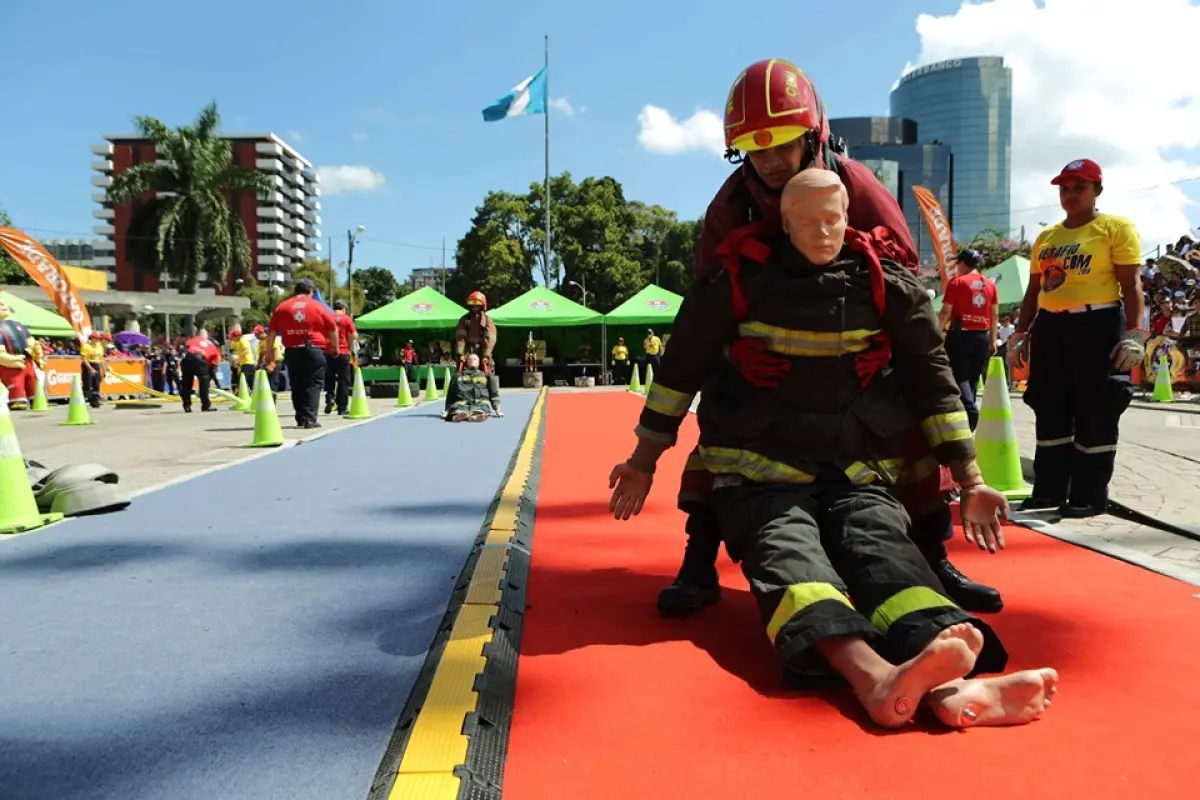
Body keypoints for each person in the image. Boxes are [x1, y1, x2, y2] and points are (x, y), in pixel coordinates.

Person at [609, 170, 1057, 730]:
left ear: (850, 219)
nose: (823, 231)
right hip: (763, 474)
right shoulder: (735, 283)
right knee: (794, 561)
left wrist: (970, 480)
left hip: (856, 470)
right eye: (808, 220)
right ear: (784, 222)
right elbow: (679, 372)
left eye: (833, 218)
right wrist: (642, 462)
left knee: (887, 556)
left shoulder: (885, 285)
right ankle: (873, 677)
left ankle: (950, 687)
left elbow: (932, 379)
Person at [659, 57, 1001, 618]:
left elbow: (905, 280)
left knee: (907, 423)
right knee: (722, 421)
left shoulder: (859, 186)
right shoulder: (729, 205)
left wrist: (887, 345)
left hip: (856, 358)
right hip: (762, 360)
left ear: (813, 136)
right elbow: (704, 304)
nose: (769, 162)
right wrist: (732, 351)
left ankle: (934, 558)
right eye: (755, 149)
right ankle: (699, 561)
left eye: (782, 145)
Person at [1009, 159, 1146, 518]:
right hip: (1052, 327)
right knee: (1048, 405)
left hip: (1098, 323)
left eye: (1079, 187)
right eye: (1064, 188)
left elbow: (1131, 284)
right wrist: (1021, 333)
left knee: (1096, 408)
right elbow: (1034, 289)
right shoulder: (1048, 237)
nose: (1069, 195)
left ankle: (1088, 495)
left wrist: (1135, 332)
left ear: (1097, 190)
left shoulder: (1115, 227)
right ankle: (1049, 491)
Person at [939, 248, 999, 430]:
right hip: (982, 335)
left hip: (961, 335)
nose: (957, 266)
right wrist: (993, 340)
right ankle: (968, 422)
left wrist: (936, 331)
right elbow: (994, 314)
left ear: (964, 263)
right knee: (973, 379)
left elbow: (946, 312)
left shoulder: (957, 283)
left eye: (958, 263)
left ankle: (972, 412)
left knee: (959, 377)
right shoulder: (990, 285)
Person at [266, 279, 338, 429]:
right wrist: (335, 347)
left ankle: (300, 418)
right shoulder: (318, 306)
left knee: (297, 384)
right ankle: (310, 419)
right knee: (313, 383)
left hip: (292, 350)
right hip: (314, 349)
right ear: (311, 291)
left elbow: (272, 331)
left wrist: (269, 352)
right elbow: (332, 328)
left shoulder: (282, 307)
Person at [441, 353, 504, 422]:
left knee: (482, 410)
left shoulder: (486, 376)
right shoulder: (458, 376)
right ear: (466, 362)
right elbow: (451, 395)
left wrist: (497, 409)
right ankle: (457, 417)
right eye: (469, 359)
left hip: (480, 404)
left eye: (474, 359)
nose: (472, 361)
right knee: (457, 410)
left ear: (479, 362)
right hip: (461, 404)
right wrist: (447, 411)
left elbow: (493, 393)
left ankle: (474, 417)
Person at [324, 299, 358, 416]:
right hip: (343, 352)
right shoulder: (347, 319)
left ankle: (330, 399)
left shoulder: (327, 317)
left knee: (329, 377)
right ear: (344, 309)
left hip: (328, 352)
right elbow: (354, 336)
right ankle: (342, 407)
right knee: (344, 380)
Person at [180, 329, 220, 413]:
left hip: (187, 360)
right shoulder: (212, 345)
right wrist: (211, 377)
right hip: (201, 361)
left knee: (186, 385)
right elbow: (214, 364)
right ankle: (206, 405)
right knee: (204, 384)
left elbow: (183, 352)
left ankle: (187, 406)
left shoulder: (190, 341)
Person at [455, 291, 497, 370]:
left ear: (482, 305)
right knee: (460, 369)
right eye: (472, 304)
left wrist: (486, 355)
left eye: (477, 304)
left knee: (488, 368)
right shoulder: (464, 320)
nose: (474, 306)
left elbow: (489, 338)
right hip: (467, 350)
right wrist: (461, 353)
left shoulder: (487, 320)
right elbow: (461, 337)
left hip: (482, 350)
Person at [80, 331, 106, 407]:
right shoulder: (86, 346)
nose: (98, 340)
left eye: (99, 339)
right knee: (88, 385)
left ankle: (95, 401)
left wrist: (104, 370)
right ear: (92, 338)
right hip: (88, 364)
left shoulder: (100, 347)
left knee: (96, 384)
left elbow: (101, 359)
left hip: (96, 364)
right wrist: (90, 368)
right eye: (96, 338)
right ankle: (90, 398)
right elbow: (84, 359)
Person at [228, 328, 257, 392]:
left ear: (237, 336)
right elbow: (232, 350)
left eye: (232, 337)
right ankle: (244, 393)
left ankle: (252, 393)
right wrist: (235, 360)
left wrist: (238, 357)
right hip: (242, 364)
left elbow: (246, 351)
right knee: (241, 379)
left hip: (248, 363)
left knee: (247, 380)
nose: (231, 338)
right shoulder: (235, 342)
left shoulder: (243, 340)